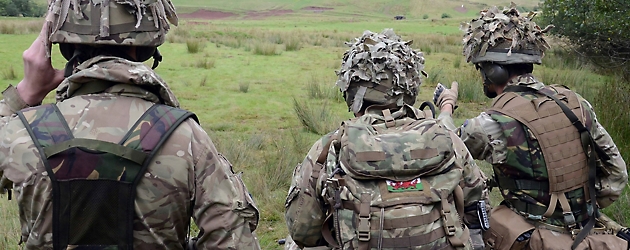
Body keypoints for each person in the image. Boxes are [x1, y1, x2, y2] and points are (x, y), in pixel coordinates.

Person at [0, 0, 260, 249]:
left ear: (65, 47)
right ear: (147, 47)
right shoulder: (186, 137)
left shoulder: (22, 133)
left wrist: (24, 94)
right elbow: (234, 241)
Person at [434, 4, 629, 250]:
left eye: (482, 69)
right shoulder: (577, 103)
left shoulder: (490, 124)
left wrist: (446, 106)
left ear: (493, 72)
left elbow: (444, 144)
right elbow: (617, 175)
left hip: (533, 237)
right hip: (587, 231)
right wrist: (581, 207)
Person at [284, 29, 490, 250]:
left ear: (352, 91)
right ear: (409, 86)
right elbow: (478, 204)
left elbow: (302, 230)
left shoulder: (330, 146)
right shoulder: (445, 137)